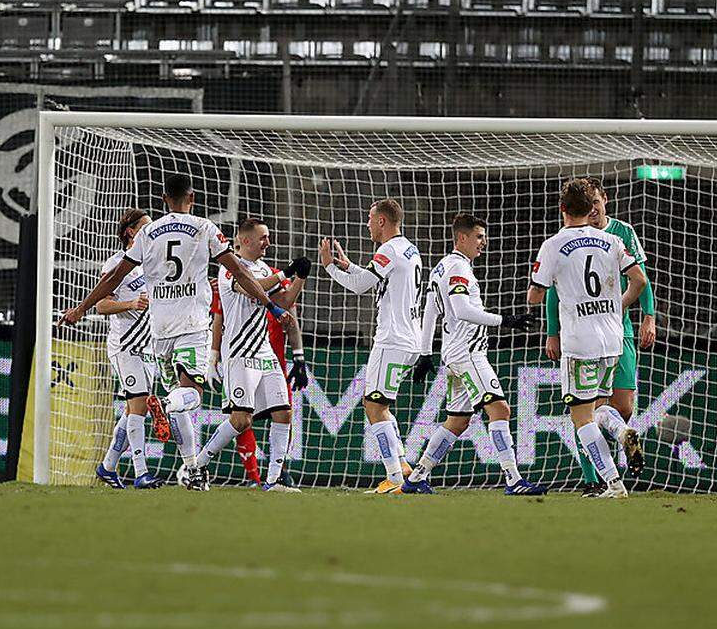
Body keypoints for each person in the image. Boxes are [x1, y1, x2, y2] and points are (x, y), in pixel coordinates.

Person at [60, 174, 292, 491]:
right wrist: (272, 306)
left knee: (181, 405)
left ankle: (192, 468)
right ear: (192, 197)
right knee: (189, 398)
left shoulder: (149, 233)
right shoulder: (205, 228)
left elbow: (113, 278)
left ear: (164, 199)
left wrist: (80, 308)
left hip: (160, 332)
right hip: (192, 327)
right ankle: (168, 406)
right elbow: (238, 270)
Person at [526, 178, 648, 499]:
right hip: (612, 339)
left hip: (579, 341)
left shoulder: (553, 244)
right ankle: (623, 432)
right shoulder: (610, 241)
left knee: (581, 417)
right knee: (599, 407)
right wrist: (617, 305)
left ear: (563, 208)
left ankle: (612, 482)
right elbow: (639, 280)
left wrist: (539, 288)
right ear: (590, 207)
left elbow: (536, 296)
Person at [407, 213, 546, 495]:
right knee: (500, 410)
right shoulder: (458, 268)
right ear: (462, 237)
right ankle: (513, 480)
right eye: (479, 236)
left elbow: (430, 312)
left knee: (457, 421)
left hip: (452, 354)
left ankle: (417, 476)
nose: (484, 242)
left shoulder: (441, 268)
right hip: (469, 354)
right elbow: (462, 310)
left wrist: (426, 353)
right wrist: (506, 320)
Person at [195, 218, 309, 492]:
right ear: (245, 241)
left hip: (265, 351)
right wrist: (285, 274)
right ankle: (197, 465)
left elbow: (283, 302)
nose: (268, 242)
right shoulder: (230, 267)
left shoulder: (264, 268)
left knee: (283, 413)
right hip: (240, 353)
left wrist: (300, 278)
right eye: (263, 238)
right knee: (241, 419)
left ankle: (272, 480)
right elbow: (249, 288)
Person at [319, 198, 423, 494]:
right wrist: (349, 265)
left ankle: (394, 479)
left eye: (369, 218)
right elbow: (377, 279)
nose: (366, 224)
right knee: (380, 404)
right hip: (407, 339)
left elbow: (361, 286)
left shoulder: (387, 249)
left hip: (392, 339)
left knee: (373, 404)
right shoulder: (408, 248)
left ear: (382, 221)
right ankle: (401, 467)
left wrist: (329, 268)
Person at [94, 208, 161, 489]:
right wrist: (131, 304)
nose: (151, 230)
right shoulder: (115, 264)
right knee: (138, 407)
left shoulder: (154, 264)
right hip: (125, 347)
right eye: (146, 226)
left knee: (134, 410)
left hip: (149, 347)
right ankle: (141, 472)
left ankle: (107, 467)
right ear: (130, 232)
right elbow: (101, 305)